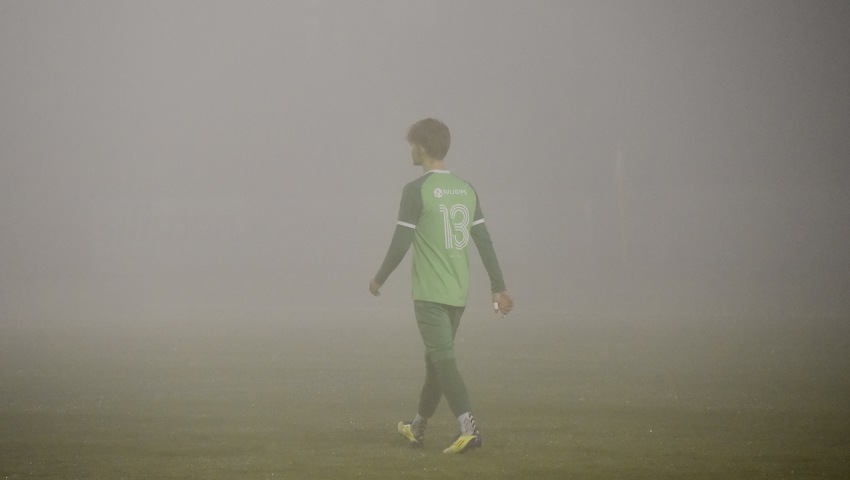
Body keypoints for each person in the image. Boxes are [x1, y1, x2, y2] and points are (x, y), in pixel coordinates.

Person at [369, 118, 514, 454]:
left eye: (412, 145)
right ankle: (417, 427)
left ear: (421, 147)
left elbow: (401, 242)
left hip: (430, 294)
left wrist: (379, 278)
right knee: (436, 362)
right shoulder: (466, 188)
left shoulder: (416, 190)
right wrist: (498, 286)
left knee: (443, 361)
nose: (410, 151)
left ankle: (469, 428)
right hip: (457, 292)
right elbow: (483, 240)